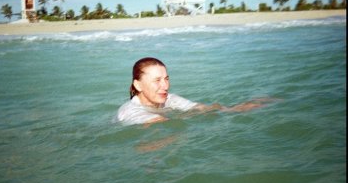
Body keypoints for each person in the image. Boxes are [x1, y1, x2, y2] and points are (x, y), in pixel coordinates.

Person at [116, 57, 272, 126]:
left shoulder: (169, 99)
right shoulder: (129, 110)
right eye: (157, 80)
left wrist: (235, 109)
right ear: (138, 85)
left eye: (166, 79)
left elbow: (199, 108)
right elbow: (153, 122)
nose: (165, 86)